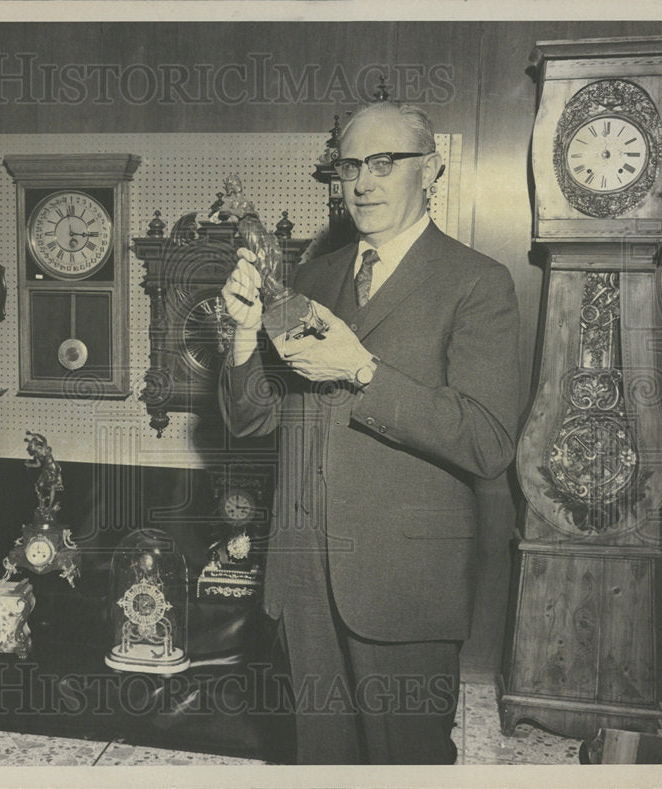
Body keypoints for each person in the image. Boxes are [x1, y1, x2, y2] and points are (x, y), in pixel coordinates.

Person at [219, 101, 520, 764]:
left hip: (403, 589)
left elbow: (488, 440)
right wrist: (243, 334)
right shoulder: (312, 277)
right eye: (350, 166)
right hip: (303, 583)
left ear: (430, 170)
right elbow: (253, 418)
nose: (363, 182)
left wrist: (361, 370)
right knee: (319, 760)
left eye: (384, 163)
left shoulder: (476, 283)